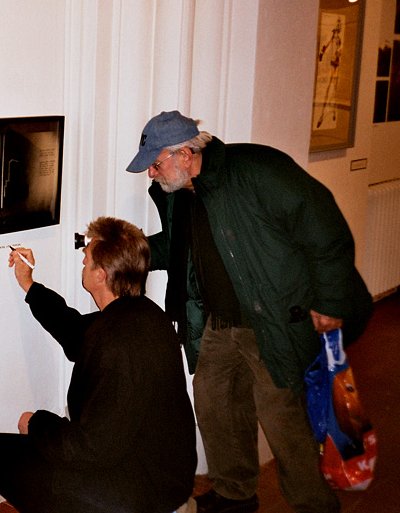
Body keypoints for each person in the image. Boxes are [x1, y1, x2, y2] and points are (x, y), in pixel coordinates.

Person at [125, 110, 373, 513]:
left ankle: (314, 506)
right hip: (221, 324)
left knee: (284, 420)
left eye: (156, 163)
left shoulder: (257, 170)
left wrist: (330, 302)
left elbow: (324, 228)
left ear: (185, 154)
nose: (152, 174)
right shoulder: (184, 196)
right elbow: (179, 249)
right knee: (213, 402)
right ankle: (234, 494)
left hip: (272, 321)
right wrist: (124, 250)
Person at [0, 217, 197, 513]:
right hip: (160, 471)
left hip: (143, 489)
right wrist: (29, 284)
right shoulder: (143, 314)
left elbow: (91, 448)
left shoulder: (119, 345)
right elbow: (75, 330)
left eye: (87, 257)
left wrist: (37, 424)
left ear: (101, 275)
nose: (82, 259)